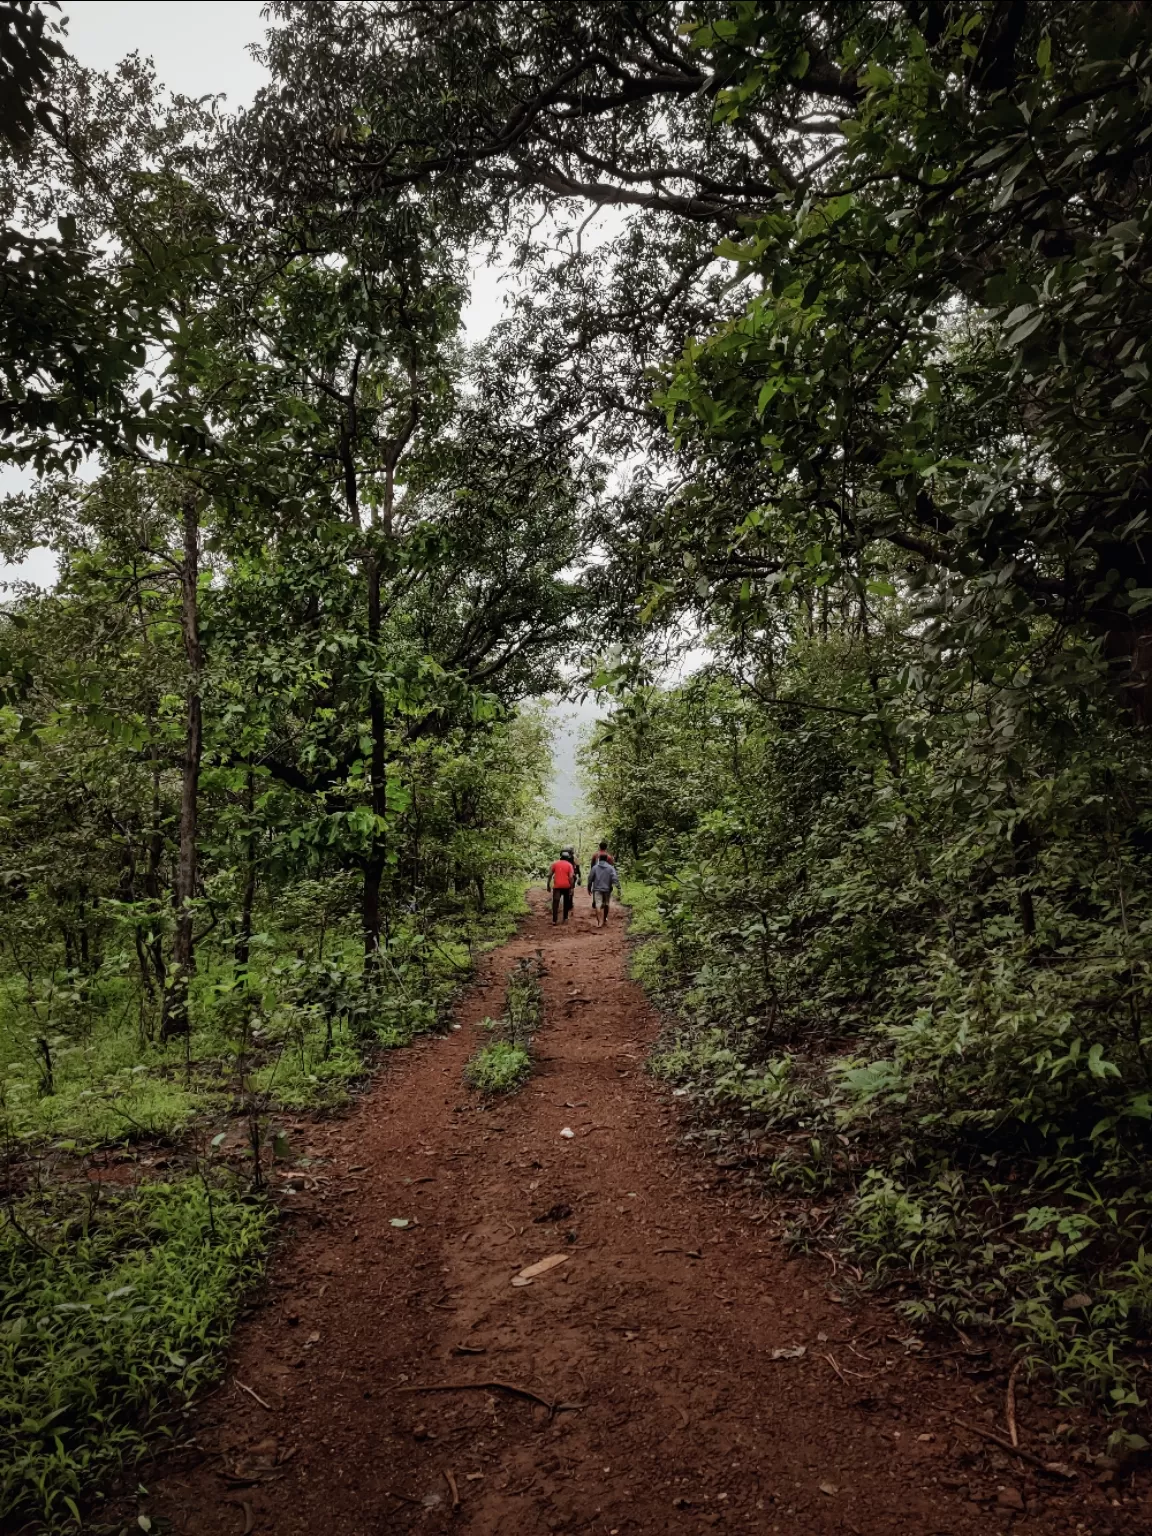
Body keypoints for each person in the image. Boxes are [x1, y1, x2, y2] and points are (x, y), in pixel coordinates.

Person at [587, 851, 621, 927]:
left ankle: (599, 921)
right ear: (606, 859)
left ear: (599, 859)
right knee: (606, 904)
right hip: (607, 889)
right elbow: (615, 878)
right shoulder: (611, 868)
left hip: (597, 889)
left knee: (598, 904)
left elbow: (590, 878)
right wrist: (618, 888)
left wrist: (589, 887)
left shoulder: (595, 868)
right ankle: (605, 918)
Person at [547, 849, 577, 924]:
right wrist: (572, 887)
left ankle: (554, 920)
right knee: (566, 902)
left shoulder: (555, 864)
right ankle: (565, 918)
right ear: (568, 858)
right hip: (566, 886)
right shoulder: (569, 865)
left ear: (560, 857)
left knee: (555, 902)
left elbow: (550, 874)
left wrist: (548, 885)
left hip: (557, 886)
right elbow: (571, 877)